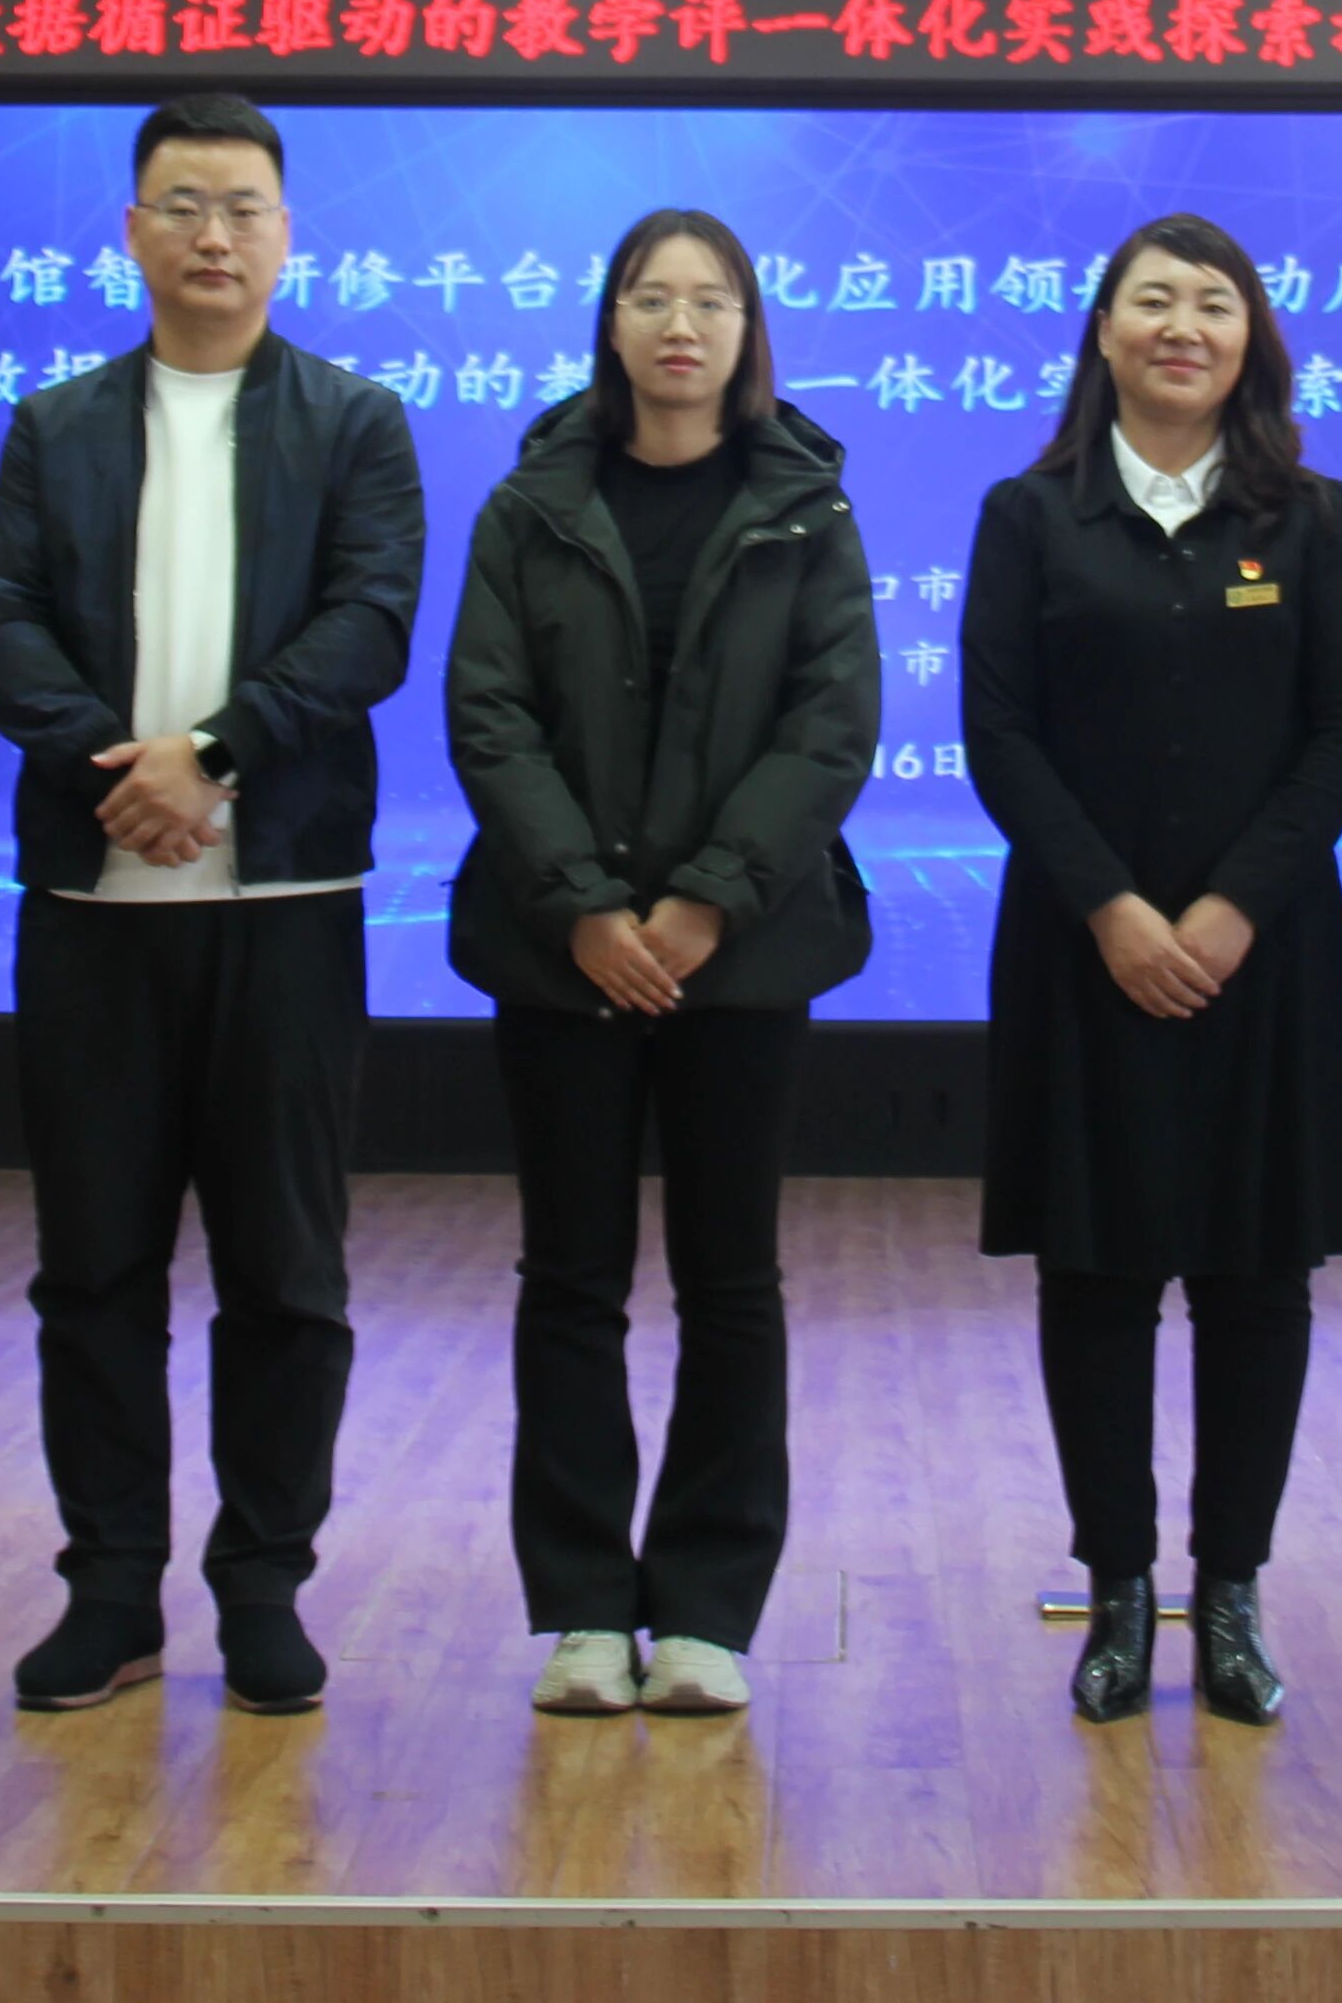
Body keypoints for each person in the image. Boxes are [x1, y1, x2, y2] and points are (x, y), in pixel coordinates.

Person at [0, 93, 429, 1721]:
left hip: (284, 896)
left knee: (285, 1272)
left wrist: (216, 755)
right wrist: (126, 771)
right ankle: (110, 1590)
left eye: (241, 207)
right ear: (131, 232)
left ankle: (262, 1587)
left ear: (286, 235)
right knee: (92, 1270)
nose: (212, 235)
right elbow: (4, 618)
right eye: (181, 205)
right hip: (96, 901)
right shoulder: (56, 426)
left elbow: (372, 622)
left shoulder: (355, 421)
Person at [445, 209, 880, 1721]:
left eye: (711, 301)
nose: (681, 326)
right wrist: (582, 905)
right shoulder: (532, 502)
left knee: (730, 1282)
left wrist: (707, 903)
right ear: (611, 324)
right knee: (570, 1281)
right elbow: (489, 714)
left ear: (749, 330)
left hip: (739, 963)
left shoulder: (809, 507)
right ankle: (581, 1606)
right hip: (559, 956)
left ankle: (705, 1614)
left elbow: (831, 723)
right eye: (651, 298)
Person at [965, 213, 1342, 1731]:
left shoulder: (1312, 518)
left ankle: (1237, 1592)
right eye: (1153, 301)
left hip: (1263, 956)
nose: (1182, 327)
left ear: (1250, 337)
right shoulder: (1032, 514)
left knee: (1257, 1280)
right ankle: (1122, 1591)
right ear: (1105, 331)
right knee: (1098, 1275)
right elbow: (999, 733)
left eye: (1214, 303)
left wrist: (1228, 909)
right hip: (1085, 952)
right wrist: (1118, 912)